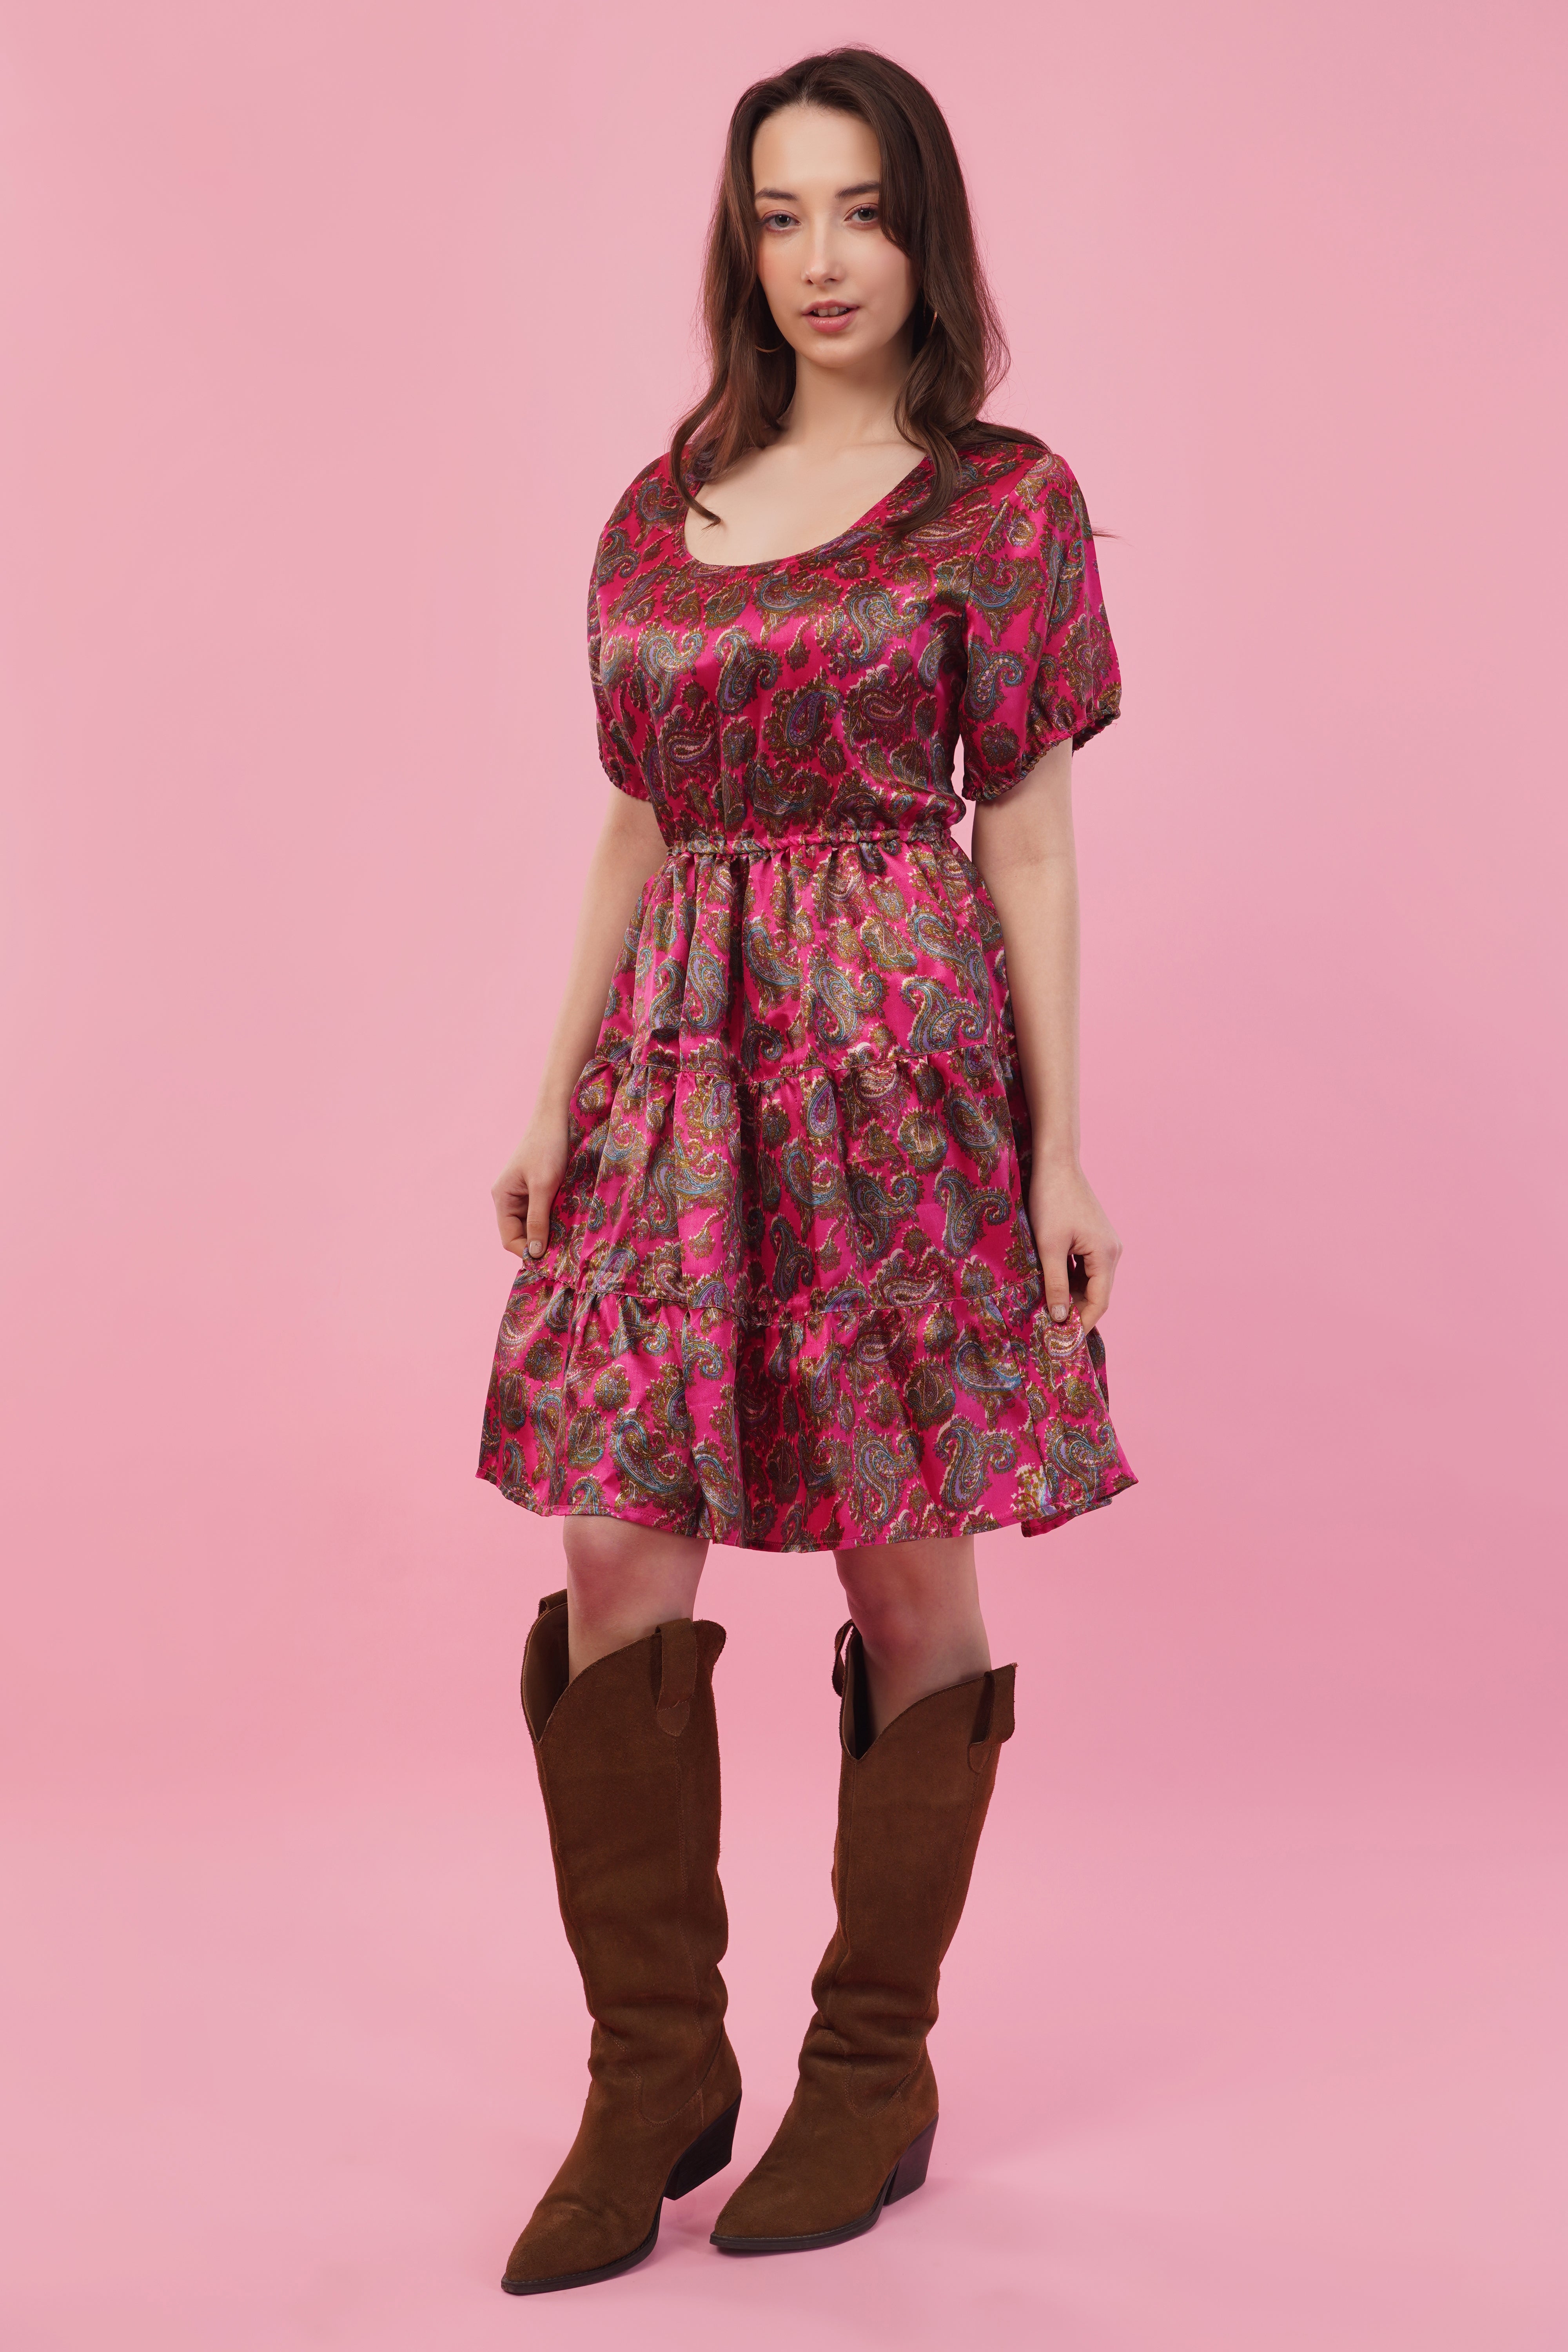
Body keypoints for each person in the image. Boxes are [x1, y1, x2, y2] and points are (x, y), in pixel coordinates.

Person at [478, 45, 1135, 2295]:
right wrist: (548, 1094)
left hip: (896, 1055)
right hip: (678, 1062)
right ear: (739, 242)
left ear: (923, 229)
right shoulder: (658, 505)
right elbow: (636, 818)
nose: (822, 258)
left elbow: (1028, 837)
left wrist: (1064, 1148)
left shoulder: (1001, 506)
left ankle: (872, 2070)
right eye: (781, 214)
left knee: (905, 1551)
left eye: (860, 209)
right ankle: (652, 2071)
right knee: (614, 1538)